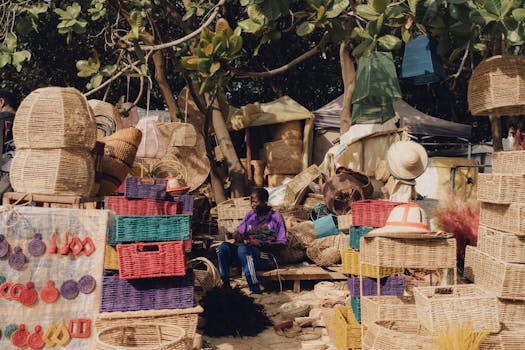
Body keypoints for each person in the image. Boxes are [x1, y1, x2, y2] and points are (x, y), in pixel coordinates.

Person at [217, 188, 286, 294]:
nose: (252, 205)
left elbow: (282, 243)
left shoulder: (275, 217)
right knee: (224, 247)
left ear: (265, 201)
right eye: (251, 202)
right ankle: (225, 284)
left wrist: (263, 244)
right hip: (247, 255)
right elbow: (239, 232)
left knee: (243, 249)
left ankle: (254, 288)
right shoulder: (250, 215)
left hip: (266, 257)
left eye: (255, 202)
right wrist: (237, 235)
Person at [0, 89, 18, 195]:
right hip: (23, 186)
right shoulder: (27, 121)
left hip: (3, 188)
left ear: (1, 102)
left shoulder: (2, 119)